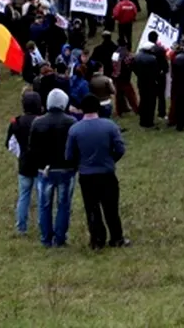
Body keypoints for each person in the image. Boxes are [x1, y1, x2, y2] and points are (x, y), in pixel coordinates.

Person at [66, 96, 129, 249]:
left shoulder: (75, 130)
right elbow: (120, 148)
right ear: (98, 108)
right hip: (107, 173)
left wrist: (80, 164)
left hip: (87, 175)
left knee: (92, 208)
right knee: (111, 208)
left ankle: (97, 240)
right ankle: (117, 238)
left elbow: (69, 155)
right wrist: (110, 160)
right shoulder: (109, 126)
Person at [28, 88, 78, 248]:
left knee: (44, 205)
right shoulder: (71, 122)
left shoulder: (38, 122)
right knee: (64, 204)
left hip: (45, 169)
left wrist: (38, 165)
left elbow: (32, 148)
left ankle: (46, 238)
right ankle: (60, 238)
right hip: (66, 168)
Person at [6, 91, 43, 234]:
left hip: (25, 163)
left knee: (24, 196)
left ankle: (21, 227)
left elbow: (9, 144)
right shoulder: (42, 121)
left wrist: (20, 154)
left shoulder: (16, 122)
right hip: (40, 163)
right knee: (42, 198)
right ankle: (43, 225)